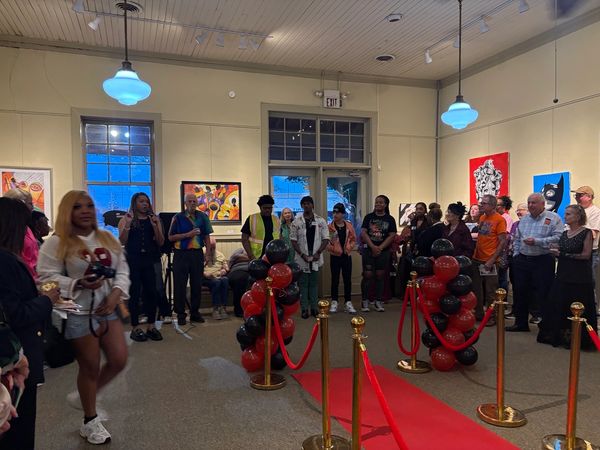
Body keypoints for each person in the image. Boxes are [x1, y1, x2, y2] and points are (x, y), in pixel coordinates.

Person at [37, 191, 130, 445]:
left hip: (107, 309)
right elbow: (45, 278)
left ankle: (85, 395)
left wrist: (116, 294)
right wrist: (77, 283)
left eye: (89, 205)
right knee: (89, 366)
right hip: (78, 312)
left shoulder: (107, 238)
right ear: (67, 211)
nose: (85, 211)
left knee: (119, 359)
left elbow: (122, 270)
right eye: (77, 207)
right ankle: (90, 420)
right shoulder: (56, 243)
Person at [0, 197, 59, 449]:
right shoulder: (5, 261)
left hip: (16, 358)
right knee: (18, 426)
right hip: (15, 358)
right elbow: (15, 313)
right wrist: (46, 300)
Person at [538, 205, 597, 348]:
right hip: (563, 274)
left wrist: (562, 254)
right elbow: (562, 249)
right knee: (559, 304)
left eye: (569, 214)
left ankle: (578, 338)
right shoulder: (565, 234)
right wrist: (554, 249)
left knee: (577, 305)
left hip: (579, 277)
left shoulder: (586, 233)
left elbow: (586, 255)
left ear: (578, 216)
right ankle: (559, 336)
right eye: (566, 213)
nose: (566, 216)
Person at [507, 193, 563, 332]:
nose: (531, 205)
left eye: (534, 202)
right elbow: (517, 238)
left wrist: (537, 241)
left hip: (543, 260)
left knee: (543, 293)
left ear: (543, 204)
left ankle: (546, 327)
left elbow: (559, 237)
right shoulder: (525, 219)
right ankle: (521, 323)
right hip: (523, 260)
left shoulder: (553, 218)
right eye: (529, 202)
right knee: (520, 292)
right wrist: (516, 255)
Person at [118, 192, 164, 342]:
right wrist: (128, 225)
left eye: (147, 201)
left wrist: (155, 226)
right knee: (135, 293)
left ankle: (151, 326)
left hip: (149, 260)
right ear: (135, 203)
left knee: (151, 292)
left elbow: (161, 242)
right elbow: (122, 241)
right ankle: (135, 327)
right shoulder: (127, 218)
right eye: (141, 201)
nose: (145, 204)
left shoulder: (154, 219)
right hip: (133, 261)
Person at [168, 193, 213, 326]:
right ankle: (181, 314)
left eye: (194, 201)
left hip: (197, 254)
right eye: (190, 201)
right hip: (181, 254)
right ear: (185, 203)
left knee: (197, 285)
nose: (192, 203)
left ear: (197, 203)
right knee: (180, 286)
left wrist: (208, 254)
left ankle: (195, 313)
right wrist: (188, 235)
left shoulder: (203, 217)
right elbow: (170, 237)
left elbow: (207, 237)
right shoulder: (178, 217)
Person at [291, 196, 329, 319]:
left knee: (313, 283)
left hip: (316, 255)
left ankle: (314, 308)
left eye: (308, 203)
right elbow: (293, 241)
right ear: (301, 206)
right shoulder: (296, 222)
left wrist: (318, 253)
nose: (306, 206)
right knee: (303, 284)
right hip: (302, 256)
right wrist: (302, 255)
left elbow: (326, 239)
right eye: (304, 204)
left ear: (312, 205)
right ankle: (304, 309)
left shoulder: (321, 221)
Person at [471, 194, 507, 326]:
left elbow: (502, 242)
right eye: (481, 203)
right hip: (477, 259)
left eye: (484, 203)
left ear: (492, 205)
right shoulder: (482, 217)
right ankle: (479, 313)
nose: (481, 205)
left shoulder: (499, 220)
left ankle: (492, 316)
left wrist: (492, 260)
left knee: (490, 291)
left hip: (489, 261)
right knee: (477, 289)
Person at [360, 195, 397, 313]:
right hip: (368, 250)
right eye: (376, 202)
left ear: (385, 205)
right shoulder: (368, 217)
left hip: (383, 251)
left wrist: (380, 248)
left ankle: (378, 301)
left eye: (381, 202)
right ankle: (365, 300)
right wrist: (372, 246)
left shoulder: (390, 219)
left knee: (380, 275)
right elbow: (363, 232)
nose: (378, 204)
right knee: (368, 275)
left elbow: (392, 235)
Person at [327, 203, 357, 314]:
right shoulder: (330, 227)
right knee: (335, 279)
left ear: (343, 214)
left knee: (347, 279)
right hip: (335, 257)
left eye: (338, 212)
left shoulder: (349, 226)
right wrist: (334, 249)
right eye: (334, 212)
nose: (335, 214)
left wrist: (349, 248)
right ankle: (334, 301)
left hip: (346, 256)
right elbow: (326, 242)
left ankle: (348, 302)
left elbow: (353, 239)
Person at [572, 186, 600, 297]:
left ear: (589, 197)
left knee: (589, 282)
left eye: (580, 195)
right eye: (576, 195)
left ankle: (591, 305)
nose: (576, 198)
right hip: (575, 251)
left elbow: (593, 234)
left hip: (589, 253)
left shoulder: (596, 212)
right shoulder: (576, 211)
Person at [3, 189, 38, 278]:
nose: (32, 207)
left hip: (34, 277)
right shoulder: (10, 231)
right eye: (30, 203)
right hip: (20, 276)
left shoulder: (27, 228)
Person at [241, 195, 280, 260]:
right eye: (265, 208)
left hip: (273, 255)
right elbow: (244, 239)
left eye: (270, 208)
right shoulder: (252, 218)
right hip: (256, 255)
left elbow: (280, 236)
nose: (267, 210)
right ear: (260, 207)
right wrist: (251, 255)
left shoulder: (276, 219)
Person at [203, 237, 230, 320]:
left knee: (225, 280)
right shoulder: (201, 254)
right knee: (216, 282)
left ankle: (223, 307)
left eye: (213, 248)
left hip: (218, 276)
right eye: (210, 248)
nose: (212, 250)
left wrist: (224, 270)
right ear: (206, 246)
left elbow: (226, 267)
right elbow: (196, 269)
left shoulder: (220, 255)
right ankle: (216, 308)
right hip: (206, 278)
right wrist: (205, 274)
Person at [496, 196, 514, 292]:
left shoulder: (507, 218)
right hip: (493, 250)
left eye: (497, 205)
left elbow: (505, 236)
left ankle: (502, 299)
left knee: (501, 277)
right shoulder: (494, 217)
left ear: (503, 206)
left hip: (502, 251)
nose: (495, 207)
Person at [227, 248, 251, 317]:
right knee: (240, 280)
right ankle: (239, 310)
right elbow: (233, 258)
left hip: (250, 271)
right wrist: (248, 257)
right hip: (237, 270)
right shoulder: (240, 250)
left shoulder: (257, 250)